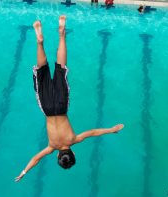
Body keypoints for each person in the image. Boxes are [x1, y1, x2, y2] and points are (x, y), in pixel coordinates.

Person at [15, 15, 124, 182]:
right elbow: (36, 159)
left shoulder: (74, 140)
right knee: (42, 71)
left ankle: (62, 35)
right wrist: (23, 172)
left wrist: (112, 130)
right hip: (47, 108)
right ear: (59, 155)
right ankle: (39, 42)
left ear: (72, 153)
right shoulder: (51, 147)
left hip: (61, 105)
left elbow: (94, 132)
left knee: (61, 69)